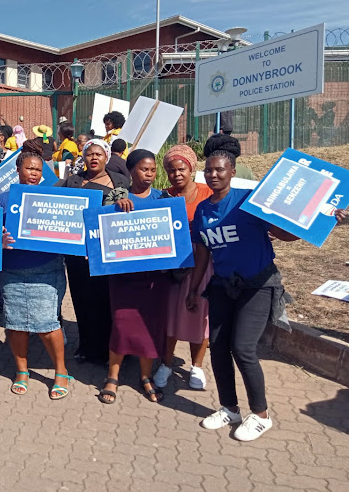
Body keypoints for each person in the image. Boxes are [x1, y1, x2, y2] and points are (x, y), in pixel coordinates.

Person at [187, 144, 298, 441]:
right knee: (219, 347)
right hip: (223, 285)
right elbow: (202, 253)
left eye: (219, 169)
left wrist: (319, 223)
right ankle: (229, 408)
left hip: (258, 285)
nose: (213, 174)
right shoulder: (202, 209)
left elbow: (285, 234)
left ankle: (261, 415)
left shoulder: (248, 202)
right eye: (208, 170)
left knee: (243, 348)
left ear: (232, 173)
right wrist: (194, 288)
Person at [0, 139, 72, 400]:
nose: (33, 174)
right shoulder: (2, 199)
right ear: (18, 170)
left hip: (46, 269)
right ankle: (22, 371)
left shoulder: (53, 198)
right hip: (12, 271)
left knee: (48, 324)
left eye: (38, 170)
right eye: (29, 169)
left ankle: (60, 371)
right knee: (16, 325)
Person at [99, 149, 168, 405]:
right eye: (143, 169)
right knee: (122, 324)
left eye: (152, 170)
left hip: (153, 280)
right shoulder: (118, 199)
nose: (149, 174)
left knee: (149, 326)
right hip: (124, 278)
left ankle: (146, 376)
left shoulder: (163, 199)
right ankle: (113, 376)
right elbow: (100, 228)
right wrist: (115, 209)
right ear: (130, 171)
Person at [152, 145, 213, 391]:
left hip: (202, 264)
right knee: (170, 317)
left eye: (181, 169)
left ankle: (196, 366)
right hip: (173, 267)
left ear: (191, 169)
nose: (176, 174)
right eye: (171, 170)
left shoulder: (208, 193)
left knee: (199, 316)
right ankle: (166, 363)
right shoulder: (163, 196)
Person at [63, 140, 130, 363]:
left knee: (106, 300)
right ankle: (86, 347)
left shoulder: (120, 180)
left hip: (106, 251)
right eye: (89, 154)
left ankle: (111, 350)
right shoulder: (72, 181)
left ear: (106, 157)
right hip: (78, 253)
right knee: (82, 299)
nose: (94, 158)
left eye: (98, 154)